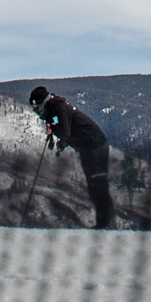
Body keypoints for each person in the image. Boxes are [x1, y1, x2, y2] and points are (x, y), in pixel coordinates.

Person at [30, 86, 113, 229]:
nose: (36, 110)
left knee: (97, 184)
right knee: (95, 185)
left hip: (94, 146)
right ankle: (104, 222)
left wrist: (53, 131)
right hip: (89, 147)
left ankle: (105, 223)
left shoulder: (57, 109)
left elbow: (64, 132)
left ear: (42, 102)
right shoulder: (53, 109)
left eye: (36, 106)